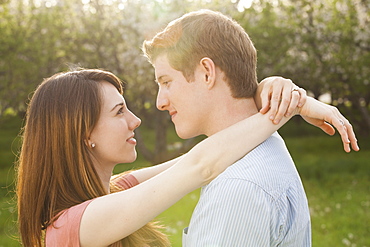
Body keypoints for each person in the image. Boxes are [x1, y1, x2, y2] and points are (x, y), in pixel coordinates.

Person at [16, 68, 322, 246]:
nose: (135, 120)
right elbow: (200, 166)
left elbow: (205, 152)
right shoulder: (72, 226)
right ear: (84, 134)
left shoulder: (114, 191)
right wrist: (291, 108)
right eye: (119, 112)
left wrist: (265, 93)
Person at [142, 9, 359, 246]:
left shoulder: (237, 189)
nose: (160, 102)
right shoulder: (266, 144)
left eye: (166, 82)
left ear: (207, 73)